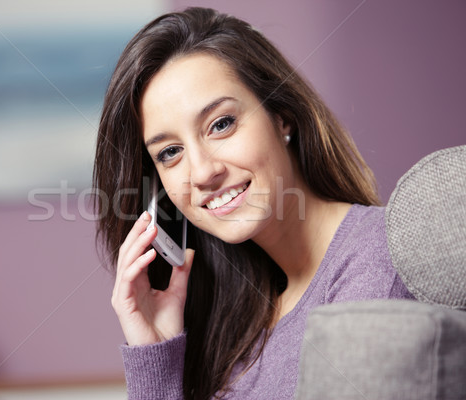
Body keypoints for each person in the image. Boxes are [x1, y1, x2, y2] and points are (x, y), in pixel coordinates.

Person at [93, 7, 414, 400]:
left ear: (282, 116)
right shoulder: (246, 321)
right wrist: (155, 356)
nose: (202, 172)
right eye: (170, 152)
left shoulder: (376, 262)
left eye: (221, 124)